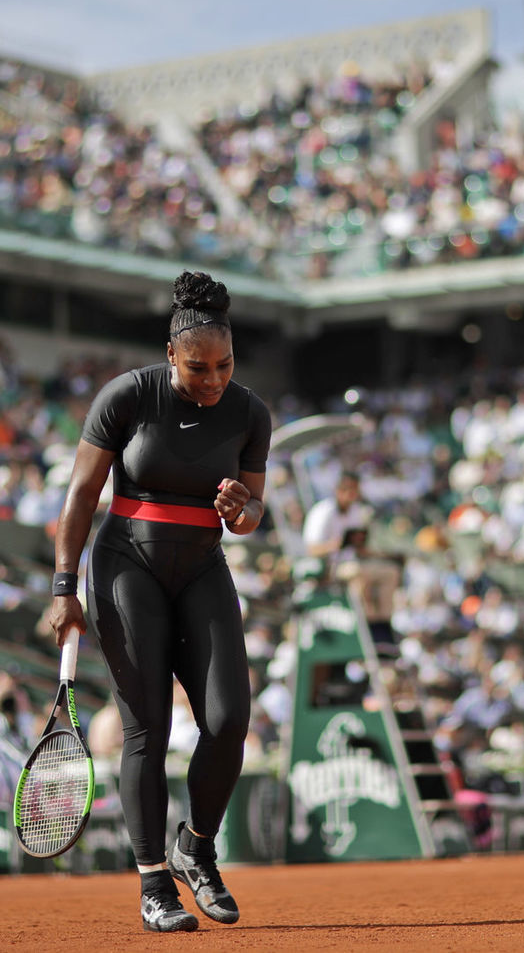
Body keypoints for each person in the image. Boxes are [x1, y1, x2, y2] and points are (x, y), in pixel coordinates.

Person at [46, 270, 272, 934]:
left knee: (229, 719)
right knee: (149, 727)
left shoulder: (251, 412)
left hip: (203, 566)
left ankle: (195, 848)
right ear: (171, 355)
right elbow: (81, 496)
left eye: (224, 366)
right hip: (127, 567)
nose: (213, 380)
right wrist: (63, 586)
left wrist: (244, 509)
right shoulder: (128, 396)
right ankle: (153, 885)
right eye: (198, 368)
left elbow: (253, 514)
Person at [302, 471, 402, 656]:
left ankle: (383, 625)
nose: (352, 496)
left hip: (351, 563)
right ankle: (368, 629)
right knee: (358, 573)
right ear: (339, 491)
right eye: (348, 491)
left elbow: (359, 548)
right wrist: (336, 544)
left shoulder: (356, 511)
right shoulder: (323, 512)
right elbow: (311, 549)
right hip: (329, 568)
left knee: (390, 572)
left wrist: (385, 555)